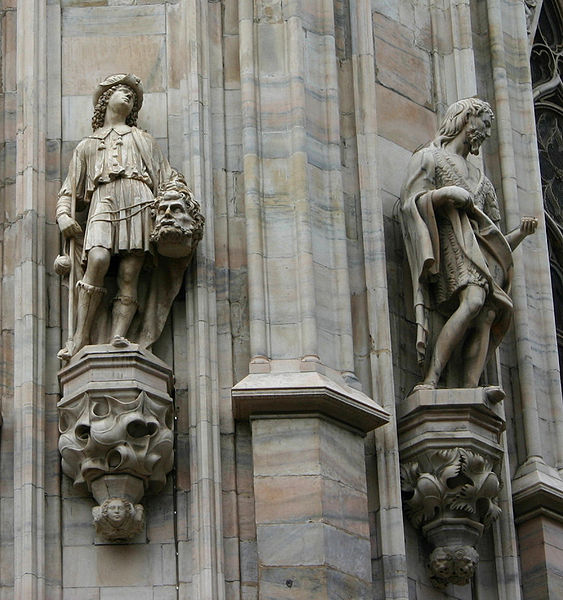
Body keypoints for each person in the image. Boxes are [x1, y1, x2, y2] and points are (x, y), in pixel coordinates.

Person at [400, 98, 537, 393]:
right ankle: (431, 379)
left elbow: (495, 240)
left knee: (487, 313)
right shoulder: (430, 158)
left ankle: (470, 388)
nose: (487, 133)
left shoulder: (483, 182)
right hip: (450, 245)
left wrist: (521, 234)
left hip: (481, 257)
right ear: (466, 119)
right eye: (485, 124)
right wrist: (443, 194)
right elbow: (410, 203)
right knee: (474, 301)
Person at [56, 74, 182, 359]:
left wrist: (178, 205)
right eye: (122, 91)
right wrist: (64, 215)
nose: (128, 96)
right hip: (104, 199)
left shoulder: (142, 139)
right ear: (106, 100)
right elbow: (69, 190)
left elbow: (166, 178)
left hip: (140, 201)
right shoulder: (87, 145)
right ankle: (80, 336)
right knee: (97, 258)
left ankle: (119, 335)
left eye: (132, 95)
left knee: (129, 273)